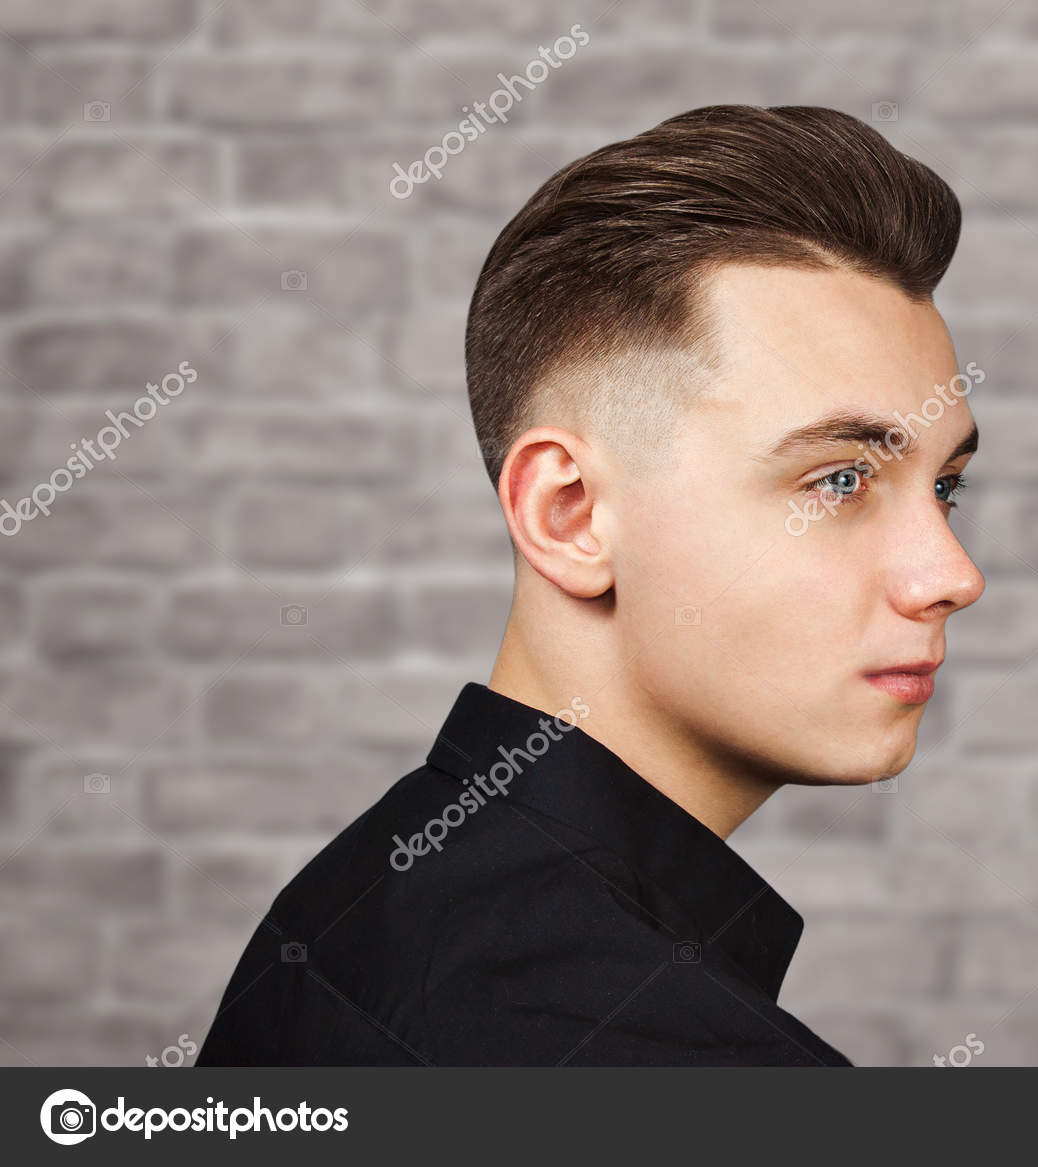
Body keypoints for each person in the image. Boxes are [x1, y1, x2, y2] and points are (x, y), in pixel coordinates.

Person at [196, 104, 985, 1066]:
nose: (952, 574)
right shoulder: (659, 1056)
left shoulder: (357, 898)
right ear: (568, 513)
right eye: (841, 480)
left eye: (945, 486)